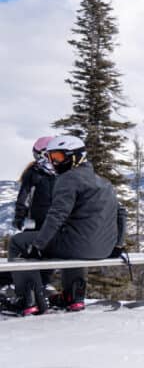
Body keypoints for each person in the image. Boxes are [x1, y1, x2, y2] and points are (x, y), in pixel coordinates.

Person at [8, 135, 126, 315]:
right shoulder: (104, 182)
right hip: (104, 249)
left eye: (59, 157)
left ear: (75, 156)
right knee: (73, 242)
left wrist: (38, 245)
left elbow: (57, 215)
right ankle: (74, 297)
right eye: (51, 158)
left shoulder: (68, 178)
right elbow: (120, 213)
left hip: (78, 246)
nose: (54, 162)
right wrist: (118, 244)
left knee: (18, 242)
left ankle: (27, 299)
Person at [13, 136, 56, 232]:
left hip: (60, 222)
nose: (54, 159)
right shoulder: (34, 173)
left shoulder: (64, 173)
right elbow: (24, 197)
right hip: (38, 222)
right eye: (50, 155)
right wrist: (20, 217)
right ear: (41, 155)